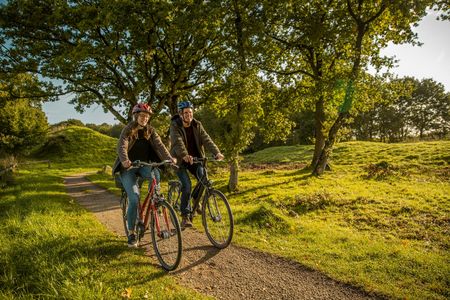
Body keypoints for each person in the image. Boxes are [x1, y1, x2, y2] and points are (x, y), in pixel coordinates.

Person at [112, 103, 176, 248]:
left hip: (144, 165)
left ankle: (156, 201)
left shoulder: (151, 131)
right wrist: (125, 161)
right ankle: (132, 233)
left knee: (156, 174)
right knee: (134, 198)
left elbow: (160, 145)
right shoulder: (128, 129)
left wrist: (169, 158)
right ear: (136, 116)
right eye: (142, 116)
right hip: (128, 168)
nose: (144, 119)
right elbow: (122, 146)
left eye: (147, 116)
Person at [169, 100, 224, 228]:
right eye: (186, 113)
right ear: (181, 114)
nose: (189, 115)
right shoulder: (175, 125)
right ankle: (185, 216)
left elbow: (207, 139)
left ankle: (195, 198)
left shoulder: (197, 124)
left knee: (203, 177)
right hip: (181, 160)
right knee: (186, 186)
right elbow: (177, 142)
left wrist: (217, 152)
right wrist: (184, 155)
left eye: (190, 112)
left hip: (196, 159)